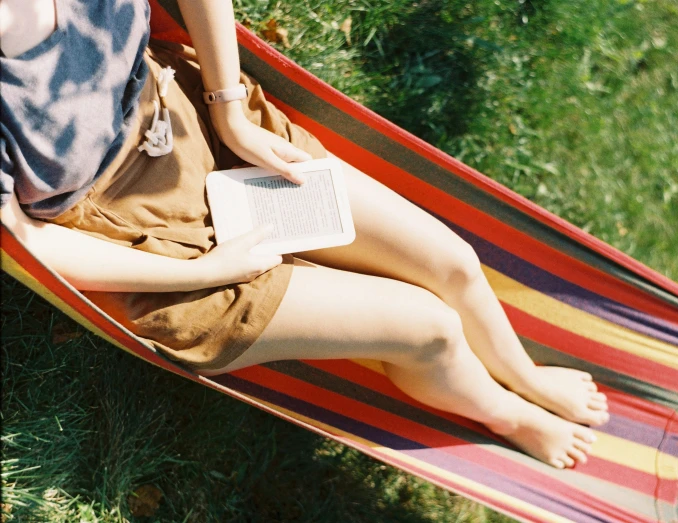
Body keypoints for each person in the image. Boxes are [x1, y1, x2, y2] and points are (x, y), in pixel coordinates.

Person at [0, 0, 609, 470]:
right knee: (432, 330)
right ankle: (506, 414)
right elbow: (24, 242)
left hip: (190, 121)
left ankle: (525, 375)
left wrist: (228, 110)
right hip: (138, 242)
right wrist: (203, 273)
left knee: (454, 264)